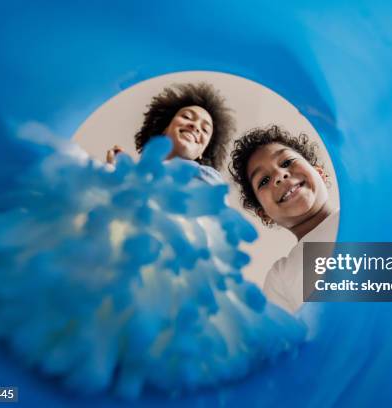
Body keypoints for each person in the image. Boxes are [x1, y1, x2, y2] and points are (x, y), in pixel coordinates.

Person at [229, 125, 339, 313]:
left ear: (319, 172)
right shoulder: (280, 277)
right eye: (263, 181)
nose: (280, 176)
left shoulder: (364, 210)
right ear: (265, 215)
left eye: (287, 162)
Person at [107, 82, 235, 185]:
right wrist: (113, 169)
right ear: (165, 128)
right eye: (187, 116)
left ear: (203, 152)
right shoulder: (138, 174)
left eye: (205, 130)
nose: (195, 126)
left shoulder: (206, 176)